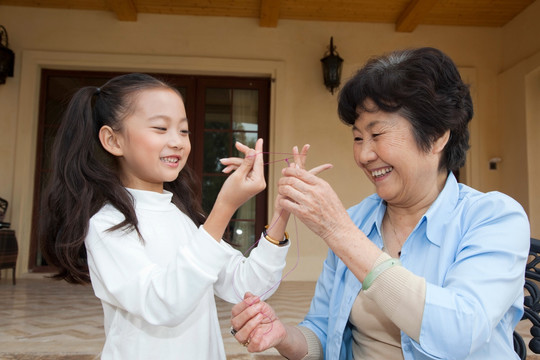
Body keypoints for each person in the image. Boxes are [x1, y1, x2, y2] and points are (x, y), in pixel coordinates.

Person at [230, 47, 531, 359]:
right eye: (358, 138)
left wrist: (339, 232)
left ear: (438, 135)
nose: (363, 155)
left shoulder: (494, 219)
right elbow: (322, 333)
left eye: (378, 134)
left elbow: (460, 333)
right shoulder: (357, 220)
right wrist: (283, 335)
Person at [39, 73, 324, 359]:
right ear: (113, 140)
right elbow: (164, 303)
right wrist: (224, 207)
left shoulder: (184, 213)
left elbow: (245, 286)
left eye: (184, 130)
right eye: (161, 128)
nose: (177, 141)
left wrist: (281, 214)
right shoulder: (106, 224)